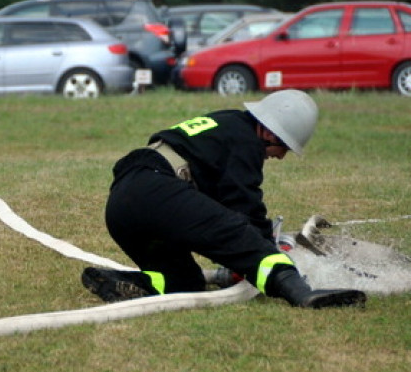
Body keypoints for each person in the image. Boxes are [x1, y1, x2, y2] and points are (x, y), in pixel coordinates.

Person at [81, 90, 366, 309]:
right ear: (268, 132)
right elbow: (244, 206)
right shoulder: (245, 140)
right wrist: (269, 247)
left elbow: (208, 207)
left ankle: (123, 282)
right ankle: (300, 293)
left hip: (123, 203)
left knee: (185, 283)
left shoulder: (226, 124)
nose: (280, 156)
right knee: (241, 237)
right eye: (284, 147)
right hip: (155, 191)